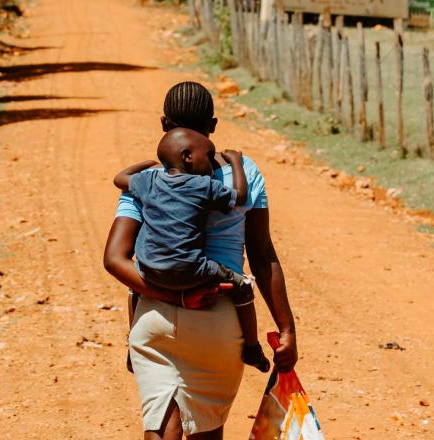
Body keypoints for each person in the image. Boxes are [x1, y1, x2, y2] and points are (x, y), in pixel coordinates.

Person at [102, 81, 299, 440]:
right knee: (204, 429)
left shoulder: (147, 180)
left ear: (164, 124)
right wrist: (286, 329)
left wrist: (173, 298)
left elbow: (115, 259)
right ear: (213, 126)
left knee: (159, 424)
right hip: (218, 319)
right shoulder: (244, 172)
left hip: (152, 314)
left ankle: (133, 348)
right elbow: (261, 254)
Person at [110, 128, 269, 373]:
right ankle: (252, 348)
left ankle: (133, 347)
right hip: (191, 268)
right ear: (188, 157)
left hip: (150, 270)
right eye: (210, 154)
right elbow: (240, 196)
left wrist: (145, 165)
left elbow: (120, 178)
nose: (213, 160)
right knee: (243, 287)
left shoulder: (148, 180)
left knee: (135, 290)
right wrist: (236, 163)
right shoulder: (203, 185)